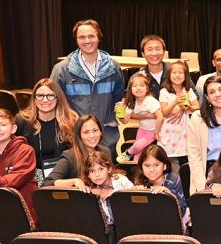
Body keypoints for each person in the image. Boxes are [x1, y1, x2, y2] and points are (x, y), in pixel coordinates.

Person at [51, 19, 124, 162]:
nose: (87, 40)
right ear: (76, 40)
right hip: (75, 139)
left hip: (107, 138)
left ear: (98, 37)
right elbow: (56, 104)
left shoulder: (113, 67)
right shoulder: (61, 70)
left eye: (91, 36)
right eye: (82, 37)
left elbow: (118, 97)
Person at [14, 78, 79, 184]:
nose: (44, 100)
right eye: (40, 95)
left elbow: (78, 153)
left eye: (50, 95)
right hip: (31, 178)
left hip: (65, 177)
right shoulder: (22, 120)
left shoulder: (71, 119)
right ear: (34, 98)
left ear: (58, 97)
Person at [43, 115, 109, 188]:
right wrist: (74, 181)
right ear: (79, 136)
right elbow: (47, 183)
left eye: (95, 130)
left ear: (101, 132)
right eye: (86, 132)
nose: (92, 135)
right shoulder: (69, 156)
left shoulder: (105, 151)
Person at [159, 61, 200, 170]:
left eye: (181, 73)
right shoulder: (164, 92)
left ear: (185, 76)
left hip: (183, 133)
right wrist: (175, 102)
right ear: (169, 75)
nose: (177, 75)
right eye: (174, 73)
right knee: (169, 162)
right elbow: (164, 112)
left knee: (183, 161)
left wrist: (188, 108)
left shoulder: (188, 90)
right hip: (167, 133)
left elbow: (198, 107)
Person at [133, 144, 187, 223]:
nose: (151, 169)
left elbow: (182, 211)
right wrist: (134, 196)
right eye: (147, 166)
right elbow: (137, 215)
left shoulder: (173, 180)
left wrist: (168, 195)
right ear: (141, 167)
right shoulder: (140, 181)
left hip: (170, 226)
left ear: (164, 166)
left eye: (156, 165)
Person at [117, 75, 164, 163]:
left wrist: (156, 132)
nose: (138, 88)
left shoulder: (151, 101)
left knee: (138, 146)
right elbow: (125, 121)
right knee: (138, 153)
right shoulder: (132, 102)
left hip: (153, 131)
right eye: (135, 86)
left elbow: (160, 117)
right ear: (131, 89)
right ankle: (137, 172)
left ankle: (127, 153)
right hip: (142, 130)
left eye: (142, 86)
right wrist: (120, 114)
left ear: (147, 89)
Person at [81, 150, 133, 226]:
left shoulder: (120, 180)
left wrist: (114, 193)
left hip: (126, 223)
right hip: (104, 229)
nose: (97, 174)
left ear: (109, 169)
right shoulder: (90, 188)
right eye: (92, 171)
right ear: (88, 175)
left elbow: (133, 198)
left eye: (101, 169)